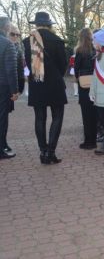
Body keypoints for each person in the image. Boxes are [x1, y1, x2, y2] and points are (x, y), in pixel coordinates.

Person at [23, 12, 67, 164]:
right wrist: (56, 75)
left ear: (36, 24)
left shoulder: (27, 41)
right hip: (54, 83)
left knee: (39, 118)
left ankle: (43, 151)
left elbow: (28, 64)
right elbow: (63, 65)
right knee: (57, 116)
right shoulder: (57, 40)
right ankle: (51, 152)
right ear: (49, 25)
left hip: (37, 83)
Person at [74, 28, 97, 150]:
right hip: (94, 84)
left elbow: (76, 68)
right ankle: (94, 139)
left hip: (83, 86)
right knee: (93, 114)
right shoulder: (95, 50)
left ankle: (88, 141)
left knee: (86, 115)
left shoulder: (80, 51)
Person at [0, 16, 19, 159]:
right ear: (6, 28)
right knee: (2, 118)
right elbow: (11, 71)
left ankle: (4, 144)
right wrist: (15, 91)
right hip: (3, 87)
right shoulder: (7, 44)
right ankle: (1, 149)